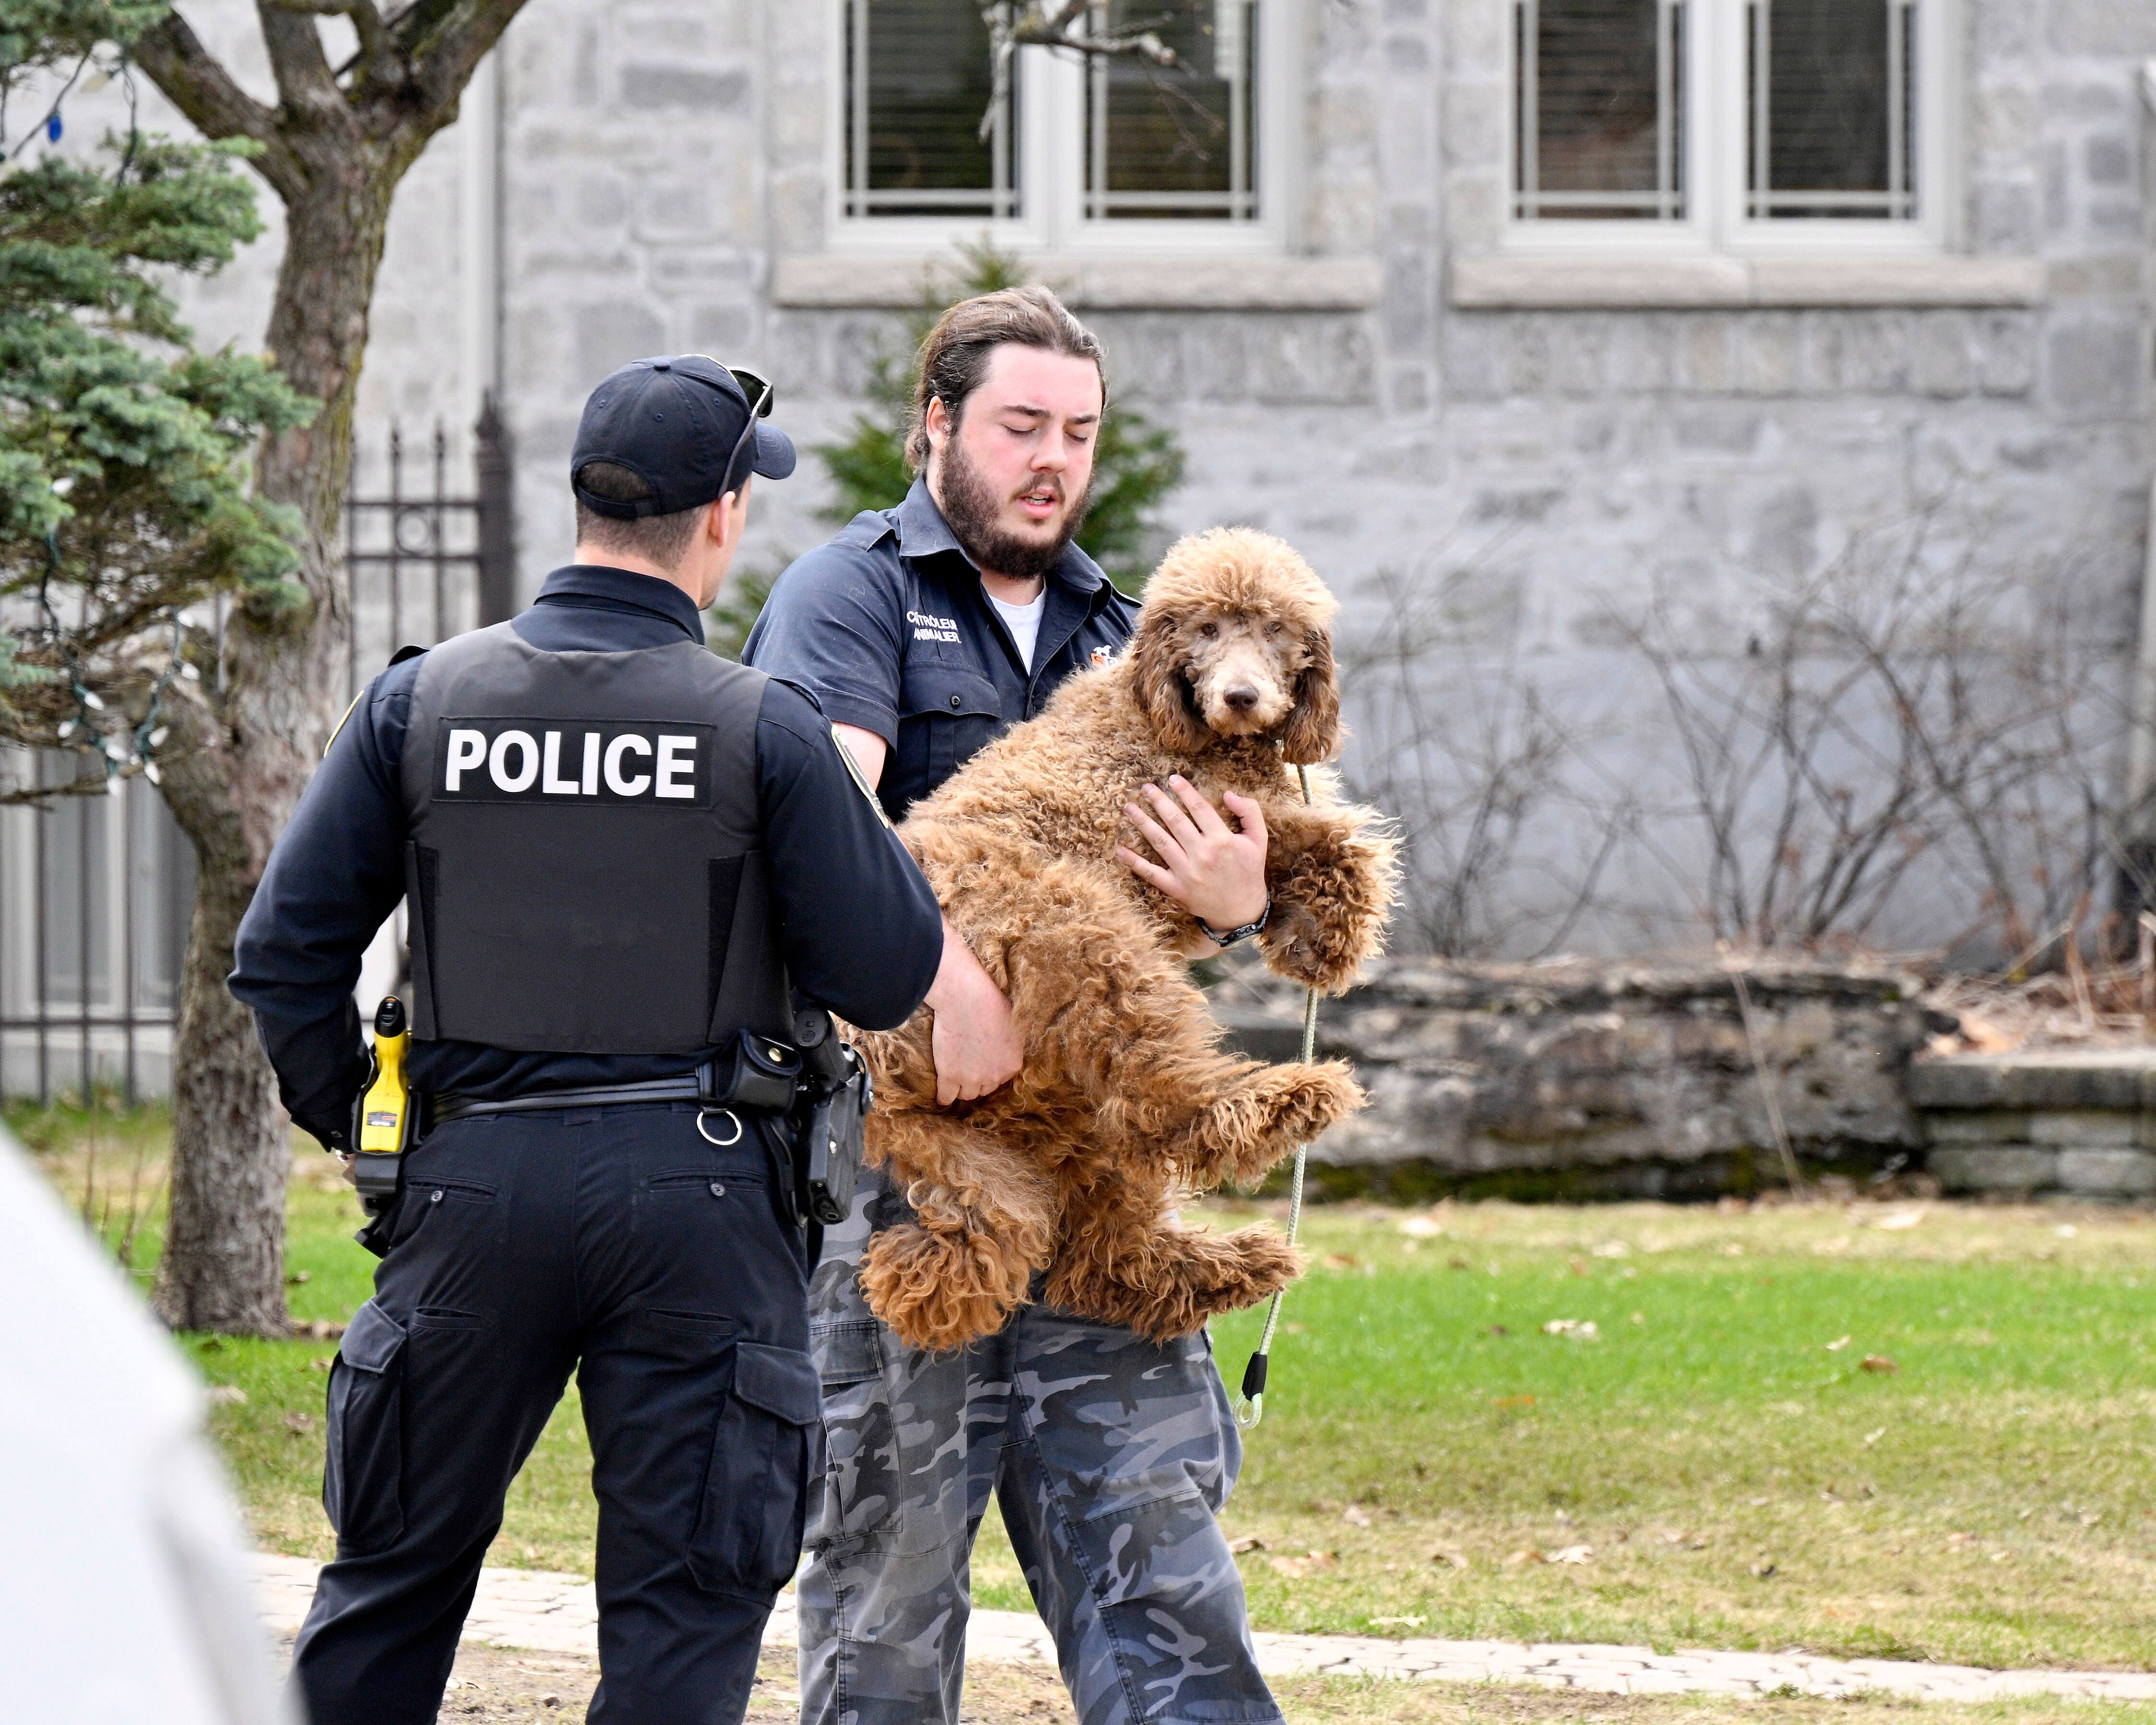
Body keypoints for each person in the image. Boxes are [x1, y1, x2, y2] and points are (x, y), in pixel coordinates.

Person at [229, 355, 967, 1725]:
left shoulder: (421, 703)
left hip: (469, 1186)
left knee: (388, 1587)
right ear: (723, 515)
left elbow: (282, 957)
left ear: (585, 503)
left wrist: (376, 1134)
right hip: (704, 1199)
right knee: (683, 1617)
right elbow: (888, 970)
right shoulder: (761, 725)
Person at [744, 288, 1286, 1725]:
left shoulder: (1138, 632)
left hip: (1097, 1165)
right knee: (891, 1571)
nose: (1053, 460)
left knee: (1160, 1556)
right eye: (1021, 426)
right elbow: (819, 830)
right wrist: (944, 982)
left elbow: (1205, 883)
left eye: (1080, 433)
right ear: (937, 424)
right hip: (910, 1166)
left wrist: (1240, 903)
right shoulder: (851, 596)